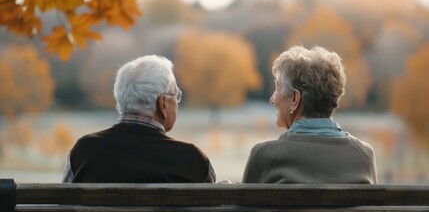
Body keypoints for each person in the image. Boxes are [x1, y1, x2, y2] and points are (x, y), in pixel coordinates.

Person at [63, 55, 216, 183]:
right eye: (175, 96)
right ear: (162, 103)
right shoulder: (192, 160)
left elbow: (63, 204)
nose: (176, 103)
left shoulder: (84, 151)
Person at [242, 46, 377, 184]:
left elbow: (241, 204)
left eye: (278, 87)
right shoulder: (363, 155)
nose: (272, 99)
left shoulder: (265, 155)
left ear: (295, 99)